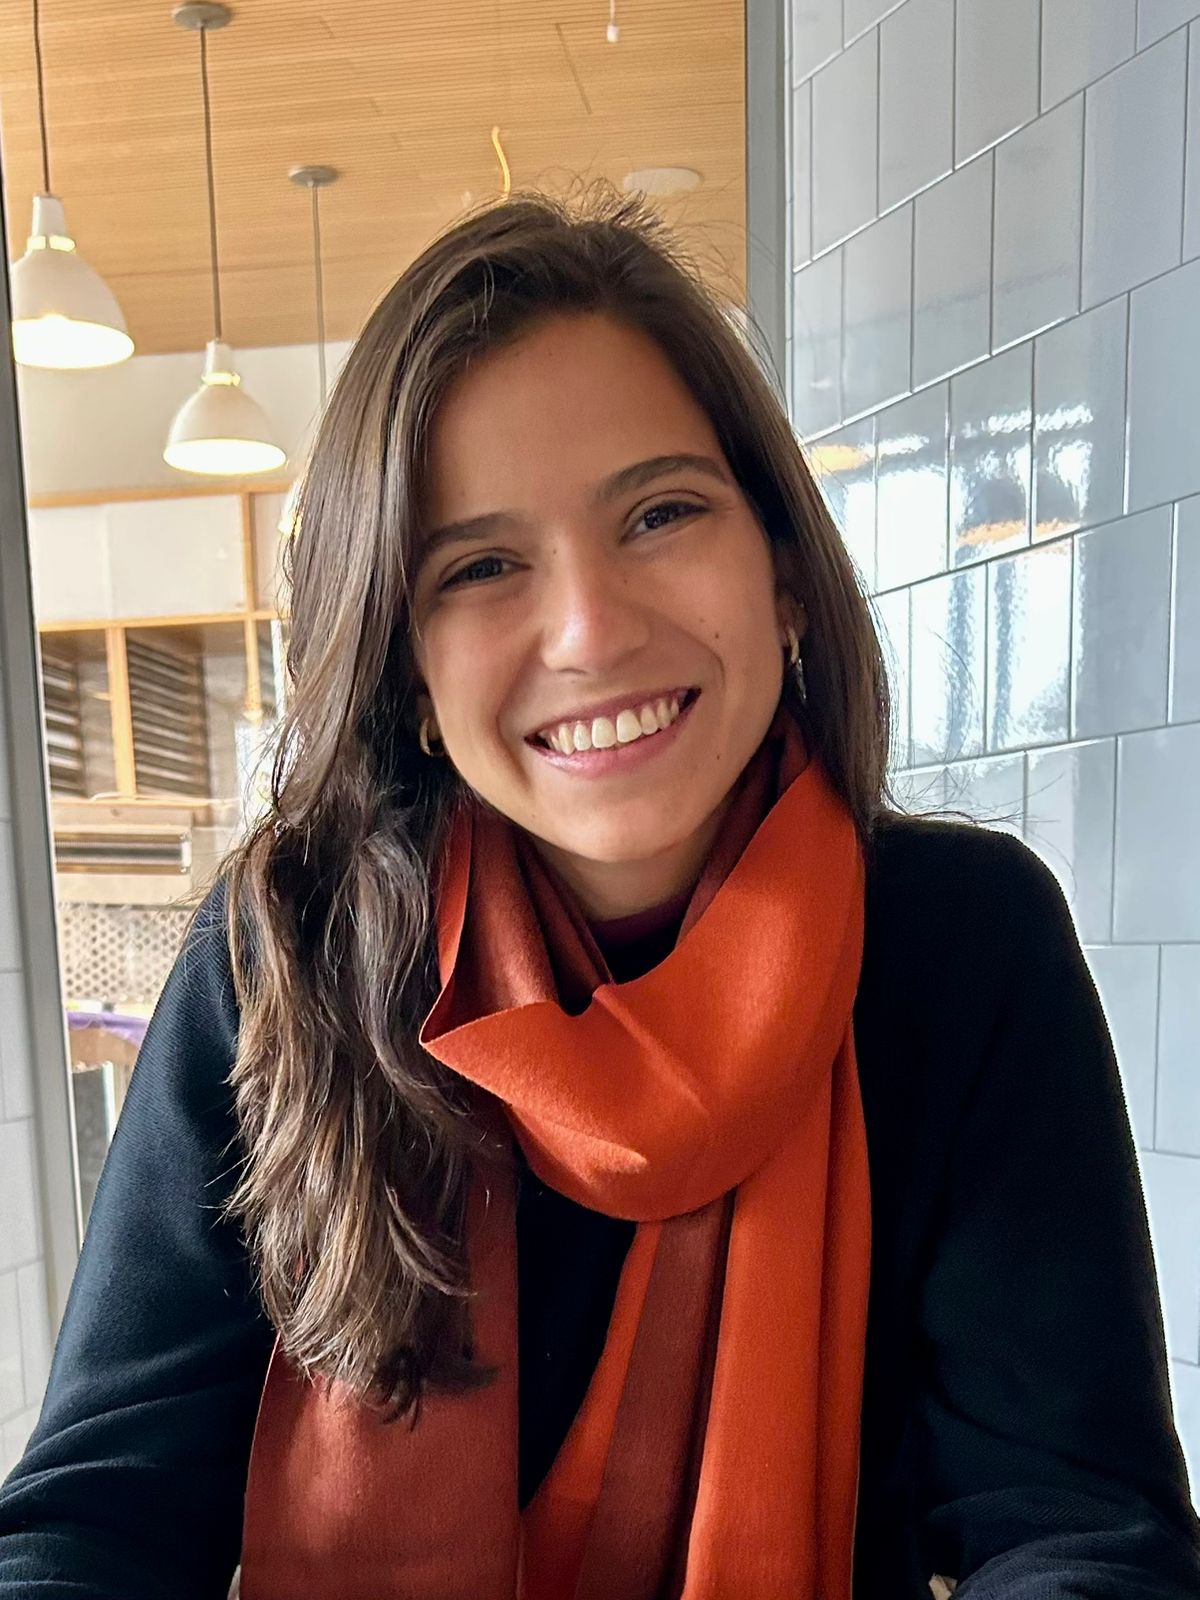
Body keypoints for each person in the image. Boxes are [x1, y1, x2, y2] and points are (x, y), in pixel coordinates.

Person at [0, 190, 1197, 1600]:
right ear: (408, 671)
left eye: (660, 512)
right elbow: (97, 1518)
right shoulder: (289, 956)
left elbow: (1079, 1531)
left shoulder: (960, 944)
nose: (588, 629)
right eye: (481, 565)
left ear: (785, 574)